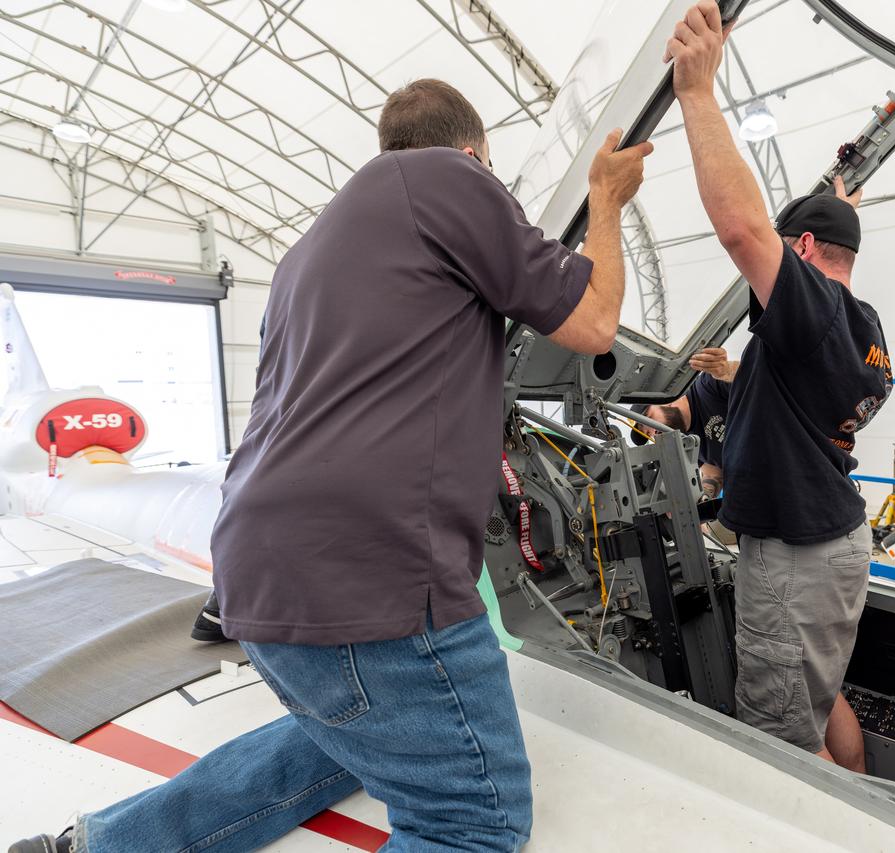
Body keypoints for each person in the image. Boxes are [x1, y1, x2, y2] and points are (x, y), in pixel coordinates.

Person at [10, 79, 652, 853]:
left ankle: (98, 845)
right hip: (373, 571)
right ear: (474, 153)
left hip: (254, 567)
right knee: (472, 822)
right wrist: (606, 201)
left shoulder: (309, 252)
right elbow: (594, 321)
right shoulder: (453, 179)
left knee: (341, 727)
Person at [665, 4, 893, 774]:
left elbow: (741, 229)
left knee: (781, 741)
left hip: (796, 560)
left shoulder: (814, 311)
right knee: (820, 703)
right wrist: (840, 210)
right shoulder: (861, 329)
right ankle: (858, 798)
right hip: (832, 545)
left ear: (802, 249)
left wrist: (698, 93)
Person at [630, 347, 733, 499]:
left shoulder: (707, 386)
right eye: (647, 433)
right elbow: (713, 473)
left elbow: (754, 379)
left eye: (648, 419)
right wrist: (704, 496)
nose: (653, 432)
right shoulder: (689, 444)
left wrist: (728, 370)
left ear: (661, 399)